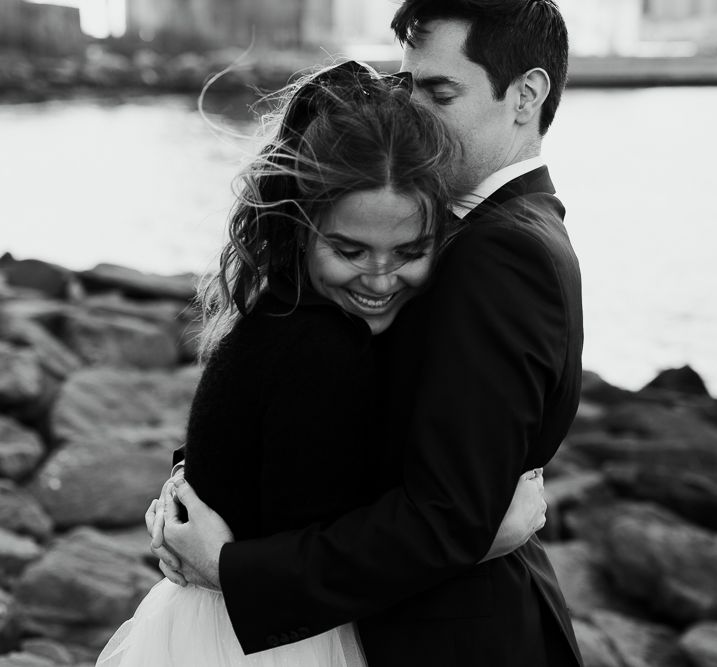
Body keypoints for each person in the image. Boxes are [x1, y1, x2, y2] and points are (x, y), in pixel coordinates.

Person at [97, 60, 547, 667]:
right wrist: (482, 537)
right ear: (301, 227)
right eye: (351, 250)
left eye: (411, 251)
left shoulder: (286, 312)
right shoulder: (321, 351)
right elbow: (327, 533)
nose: (382, 278)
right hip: (276, 641)